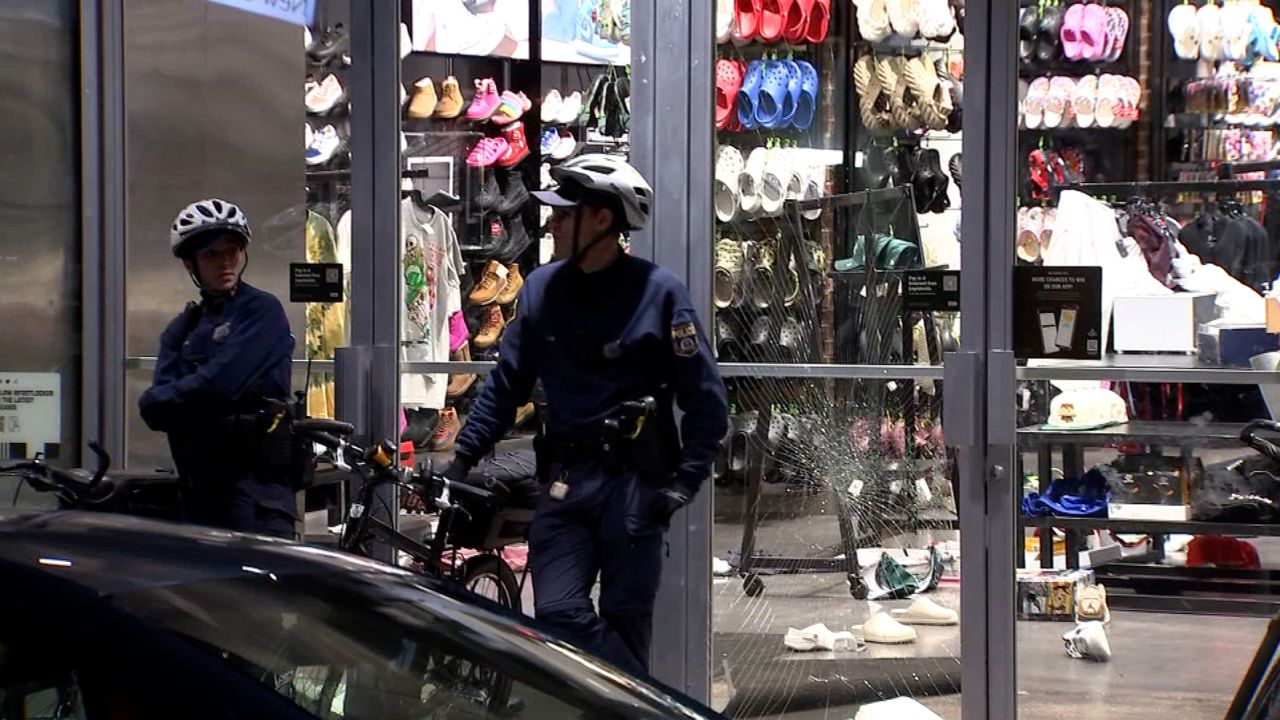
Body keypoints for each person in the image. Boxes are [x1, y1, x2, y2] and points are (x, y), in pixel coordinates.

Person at [443, 155, 729, 675]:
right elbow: (505, 386)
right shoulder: (540, 290)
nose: (550, 223)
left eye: (564, 214)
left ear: (602, 220)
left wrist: (682, 485)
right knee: (557, 614)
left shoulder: (659, 294)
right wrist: (462, 459)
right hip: (564, 487)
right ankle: (647, 705)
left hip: (635, 490)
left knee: (626, 622)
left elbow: (707, 401)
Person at [139, 198, 298, 539]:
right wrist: (173, 400)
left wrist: (175, 400)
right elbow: (154, 409)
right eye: (211, 254)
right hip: (198, 494)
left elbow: (222, 383)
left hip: (256, 498)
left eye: (232, 250)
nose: (225, 262)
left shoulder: (262, 311)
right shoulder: (183, 326)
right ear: (190, 263)